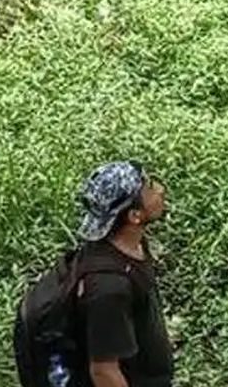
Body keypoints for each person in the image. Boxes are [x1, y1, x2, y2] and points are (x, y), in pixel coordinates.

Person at [77, 160, 172, 387]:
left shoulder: (131, 243)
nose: (159, 188)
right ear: (134, 216)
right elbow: (103, 371)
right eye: (148, 186)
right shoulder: (108, 288)